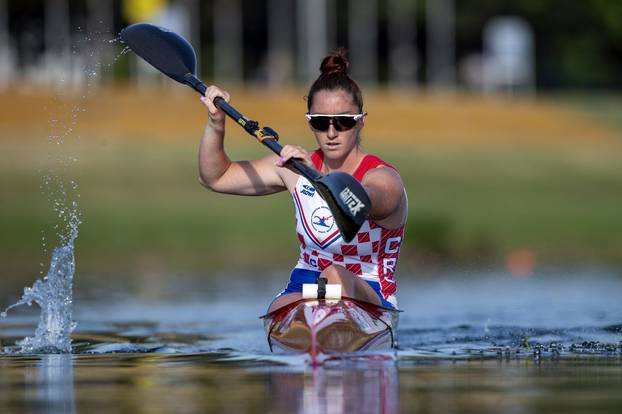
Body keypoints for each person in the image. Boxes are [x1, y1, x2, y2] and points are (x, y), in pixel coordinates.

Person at [199, 48, 407, 312]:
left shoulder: (382, 177)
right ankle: (310, 330)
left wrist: (317, 177)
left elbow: (361, 204)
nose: (331, 132)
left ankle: (322, 329)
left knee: (334, 275)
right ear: (310, 123)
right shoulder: (294, 168)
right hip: (304, 285)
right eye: (320, 122)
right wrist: (216, 123)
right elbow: (215, 177)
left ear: (361, 121)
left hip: (367, 292)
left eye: (343, 122)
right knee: (278, 308)